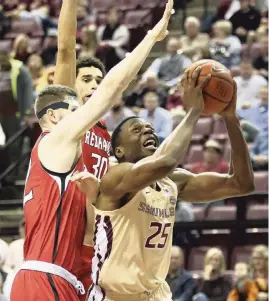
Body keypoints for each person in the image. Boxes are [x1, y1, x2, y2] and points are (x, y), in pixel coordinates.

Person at [10, 1, 175, 301]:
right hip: (53, 267)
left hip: (84, 267)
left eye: (98, 80)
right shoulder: (63, 128)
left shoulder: (106, 139)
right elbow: (67, 49)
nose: (95, 86)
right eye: (86, 79)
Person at [75, 66, 254, 300]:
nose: (147, 131)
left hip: (157, 294)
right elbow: (166, 161)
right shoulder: (115, 176)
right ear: (119, 150)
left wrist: (230, 118)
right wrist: (193, 112)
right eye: (136, 130)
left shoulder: (172, 182)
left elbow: (241, 184)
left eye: (149, 129)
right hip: (115, 295)